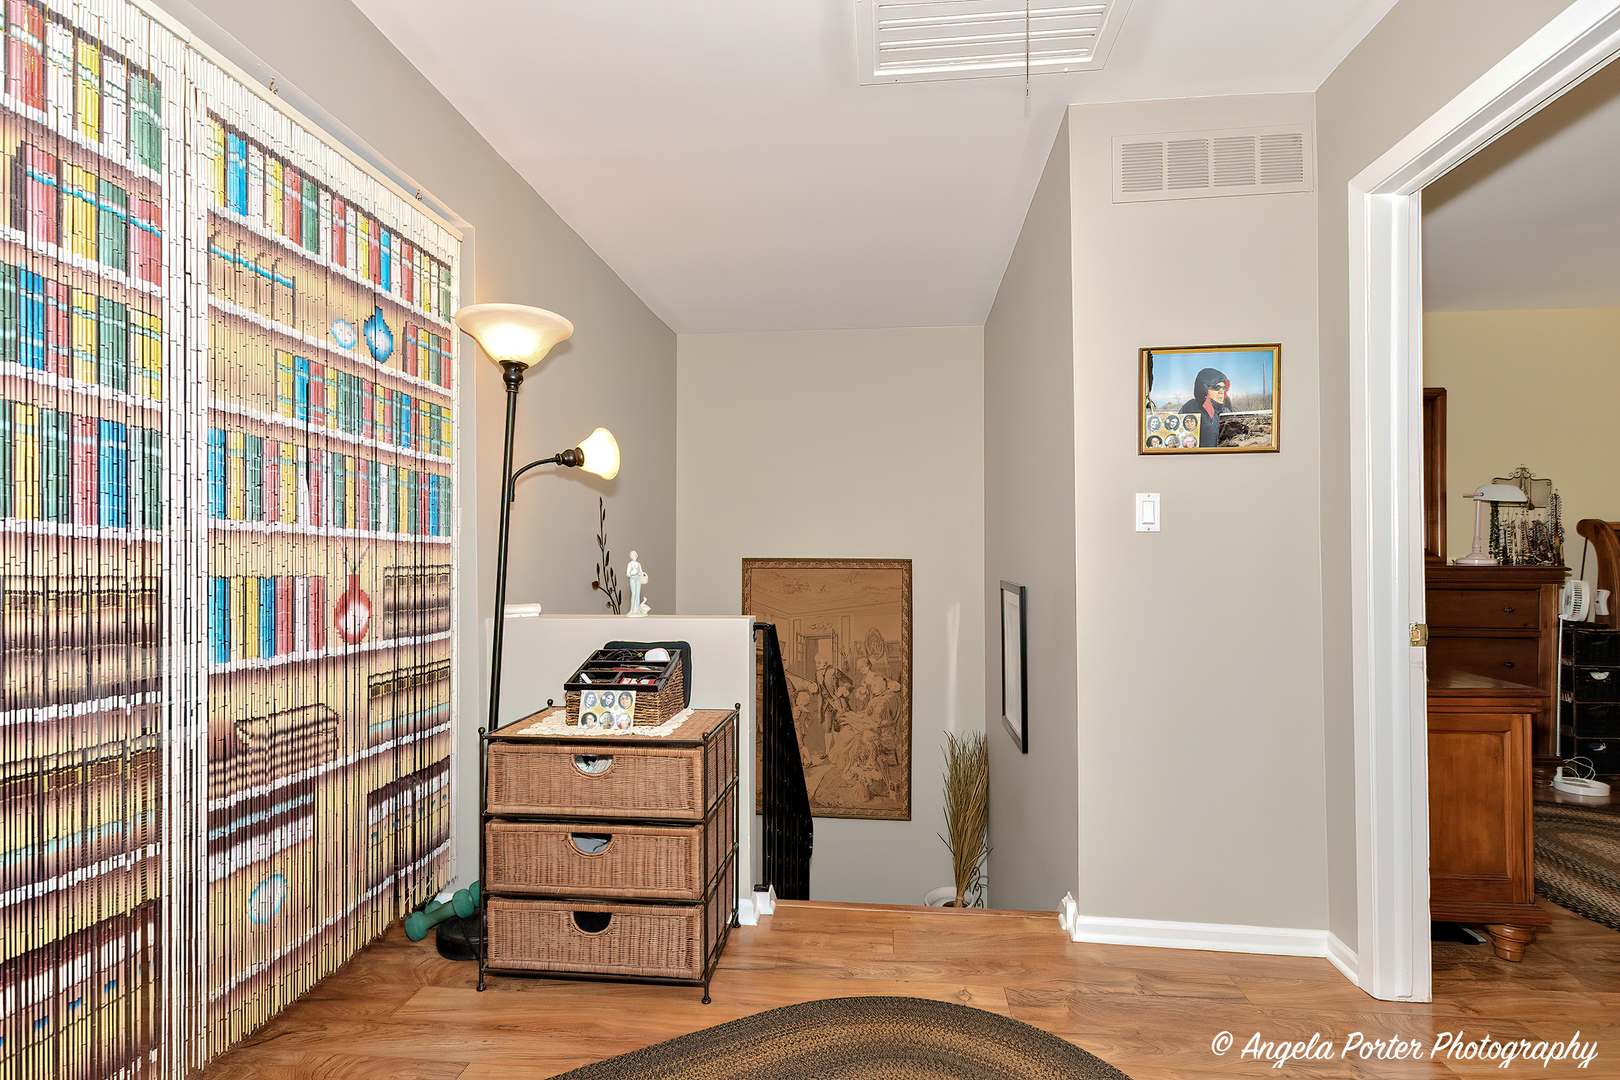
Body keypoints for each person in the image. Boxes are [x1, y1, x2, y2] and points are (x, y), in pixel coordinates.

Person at [1179, 367, 1233, 447]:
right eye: (1216, 387)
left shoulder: (1225, 411)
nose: (1221, 392)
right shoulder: (1192, 408)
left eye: (1223, 387)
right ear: (1204, 389)